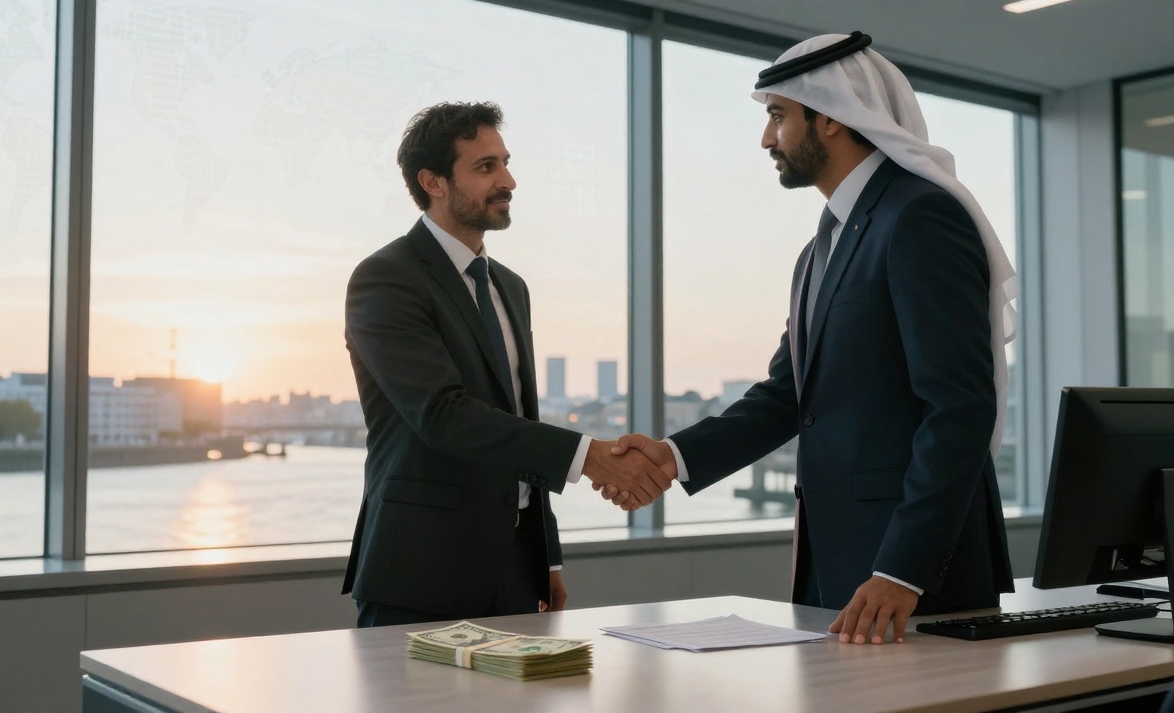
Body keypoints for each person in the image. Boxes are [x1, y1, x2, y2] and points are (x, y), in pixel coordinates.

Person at [602, 32, 1018, 644]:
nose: (766, 139)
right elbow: (787, 396)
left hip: (913, 579)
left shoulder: (918, 216)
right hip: (838, 569)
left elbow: (960, 407)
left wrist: (902, 569)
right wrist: (673, 456)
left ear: (830, 117)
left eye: (778, 116)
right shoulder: (819, 249)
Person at [342, 101, 674, 628]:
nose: (508, 181)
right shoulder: (386, 278)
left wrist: (547, 556)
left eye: (505, 163)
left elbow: (519, 419)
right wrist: (589, 457)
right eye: (485, 167)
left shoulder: (510, 287)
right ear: (433, 182)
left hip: (518, 570)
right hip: (420, 573)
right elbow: (443, 415)